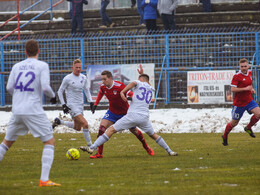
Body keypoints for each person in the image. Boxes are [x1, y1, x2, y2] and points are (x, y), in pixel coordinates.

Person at [0, 39, 61, 187]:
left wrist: (20, 96)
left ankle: (44, 180)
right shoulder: (42, 66)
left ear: (25, 51)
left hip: (17, 109)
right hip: (33, 109)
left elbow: (9, 87)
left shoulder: (16, 66)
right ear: (38, 51)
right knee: (49, 141)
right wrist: (53, 97)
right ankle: (44, 180)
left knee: (7, 142)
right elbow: (45, 87)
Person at [80, 74, 178, 156]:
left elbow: (134, 83)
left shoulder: (138, 83)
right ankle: (170, 151)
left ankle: (92, 147)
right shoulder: (151, 89)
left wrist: (122, 92)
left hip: (133, 115)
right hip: (144, 117)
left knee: (111, 130)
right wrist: (142, 74)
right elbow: (145, 82)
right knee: (153, 135)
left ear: (141, 80)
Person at [53, 59, 93, 148]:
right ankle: (91, 146)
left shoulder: (83, 77)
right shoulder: (67, 78)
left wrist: (91, 102)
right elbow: (60, 91)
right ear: (73, 68)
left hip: (80, 105)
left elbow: (86, 90)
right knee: (85, 124)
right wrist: (64, 105)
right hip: (71, 106)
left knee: (78, 128)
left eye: (80, 67)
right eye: (76, 67)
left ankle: (60, 122)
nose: (78, 69)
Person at [222, 58, 260, 146]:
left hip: (249, 101)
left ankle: (248, 127)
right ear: (239, 67)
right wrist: (245, 89)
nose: (243, 68)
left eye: (245, 66)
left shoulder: (250, 73)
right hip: (239, 104)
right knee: (234, 123)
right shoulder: (236, 76)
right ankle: (225, 136)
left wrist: (251, 89)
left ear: (248, 66)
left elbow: (249, 84)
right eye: (242, 66)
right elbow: (232, 89)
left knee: (259, 114)